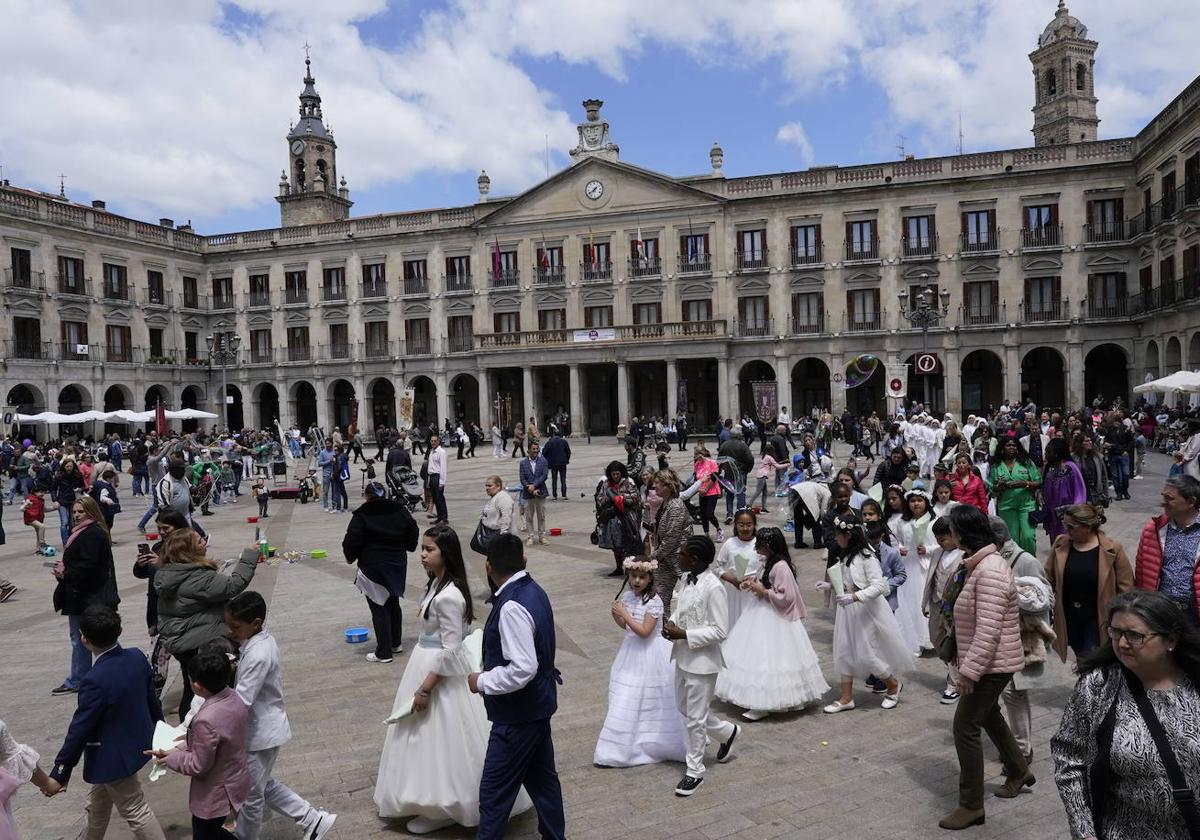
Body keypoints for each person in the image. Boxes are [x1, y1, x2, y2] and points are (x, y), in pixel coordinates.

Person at [375, 526, 531, 833]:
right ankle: (429, 799)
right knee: (424, 738)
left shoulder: (448, 596)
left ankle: (446, 805)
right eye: (422, 548)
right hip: (426, 664)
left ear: (445, 553)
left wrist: (425, 688)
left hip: (440, 675)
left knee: (443, 739)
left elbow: (451, 649)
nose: (422, 554)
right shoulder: (436, 585)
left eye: (429, 549)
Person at [1051, 589, 1200, 840]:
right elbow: (1068, 757)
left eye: (1135, 635)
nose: (1121, 643)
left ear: (1171, 640)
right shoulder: (1099, 686)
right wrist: (1084, 831)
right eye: (1115, 632)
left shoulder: (1195, 683)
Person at [938, 504, 1032, 831]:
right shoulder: (977, 564)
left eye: (953, 530)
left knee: (965, 727)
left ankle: (971, 805)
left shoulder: (989, 570)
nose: (950, 535)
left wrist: (968, 672)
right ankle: (1019, 769)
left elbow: (988, 629)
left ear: (964, 533)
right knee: (988, 715)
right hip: (987, 661)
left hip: (991, 664)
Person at [469, 533, 566, 839]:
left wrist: (481, 681)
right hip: (538, 705)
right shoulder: (534, 590)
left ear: (488, 566)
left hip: (518, 715)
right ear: (524, 560)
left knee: (494, 795)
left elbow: (523, 668)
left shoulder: (511, 606)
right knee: (543, 782)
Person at [42, 605, 166, 839]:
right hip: (133, 745)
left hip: (113, 755)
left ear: (84, 639)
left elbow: (80, 729)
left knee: (136, 810)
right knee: (98, 805)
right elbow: (152, 701)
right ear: (119, 630)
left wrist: (60, 772)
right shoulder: (137, 657)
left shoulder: (94, 680)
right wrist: (162, 733)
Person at [223, 592, 336, 840]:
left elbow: (242, 700)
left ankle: (246, 836)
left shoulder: (258, 653)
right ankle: (312, 818)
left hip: (261, 732)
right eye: (228, 625)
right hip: (260, 729)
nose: (230, 631)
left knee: (250, 796)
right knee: (261, 785)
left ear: (256, 623)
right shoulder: (256, 643)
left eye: (235, 627)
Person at [716, 527, 829, 721]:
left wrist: (764, 591)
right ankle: (757, 700)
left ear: (768, 546)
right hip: (761, 611)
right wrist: (752, 582)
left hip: (774, 616)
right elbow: (764, 582)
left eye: (759, 544)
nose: (755, 547)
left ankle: (763, 703)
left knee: (769, 657)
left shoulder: (780, 567)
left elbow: (787, 597)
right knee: (757, 654)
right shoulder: (767, 562)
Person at [660, 534, 740, 796]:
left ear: (693, 559)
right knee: (683, 706)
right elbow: (680, 608)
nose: (678, 556)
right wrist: (672, 623)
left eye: (681, 553)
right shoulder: (685, 579)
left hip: (703, 663)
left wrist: (685, 634)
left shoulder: (713, 587)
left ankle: (695, 771)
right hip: (682, 656)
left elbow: (720, 630)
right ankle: (727, 731)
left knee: (695, 720)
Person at [148, 642, 252, 840]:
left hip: (215, 792)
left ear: (196, 685)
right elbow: (216, 742)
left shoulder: (206, 718)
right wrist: (178, 748)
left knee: (206, 834)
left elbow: (198, 765)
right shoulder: (233, 697)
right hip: (235, 779)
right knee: (212, 833)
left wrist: (171, 759)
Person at [155, 528, 259, 721]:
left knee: (193, 687)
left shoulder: (169, 572)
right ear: (188, 550)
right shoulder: (196, 576)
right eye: (198, 541)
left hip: (180, 640)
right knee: (210, 692)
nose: (203, 541)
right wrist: (250, 555)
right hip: (200, 643)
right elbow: (233, 586)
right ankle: (204, 729)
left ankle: (188, 729)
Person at [594, 555, 688, 767]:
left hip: (650, 653)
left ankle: (654, 741)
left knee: (650, 695)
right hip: (630, 651)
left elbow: (645, 632)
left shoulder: (654, 602)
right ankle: (621, 746)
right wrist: (617, 616)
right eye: (633, 576)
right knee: (626, 695)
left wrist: (624, 615)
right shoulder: (628, 597)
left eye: (641, 577)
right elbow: (627, 628)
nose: (637, 581)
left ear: (650, 578)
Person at [819, 511, 910, 714]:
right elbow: (847, 581)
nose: (835, 538)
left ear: (849, 535)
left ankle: (893, 685)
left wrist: (855, 596)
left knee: (867, 653)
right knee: (843, 651)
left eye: (838, 534)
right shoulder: (845, 554)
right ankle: (846, 697)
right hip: (847, 610)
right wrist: (830, 586)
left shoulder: (867, 556)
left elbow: (879, 585)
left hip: (865, 610)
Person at [1044, 503, 1134, 662]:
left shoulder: (1112, 549)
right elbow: (1047, 578)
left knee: (1091, 656)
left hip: (1098, 617)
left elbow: (1126, 588)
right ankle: (1087, 684)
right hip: (1069, 616)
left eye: (1071, 526)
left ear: (1087, 527)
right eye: (1065, 525)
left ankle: (1090, 684)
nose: (1066, 530)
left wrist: (1120, 618)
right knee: (1080, 654)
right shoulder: (1061, 543)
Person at [343, 481, 420, 663]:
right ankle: (395, 643)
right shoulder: (399, 509)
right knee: (393, 601)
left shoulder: (363, 513)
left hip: (373, 565)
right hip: (397, 563)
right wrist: (409, 545)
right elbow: (413, 528)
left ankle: (383, 652)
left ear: (367, 496)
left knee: (378, 606)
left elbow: (352, 538)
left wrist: (350, 556)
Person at [51, 495, 118, 696]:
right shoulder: (84, 532)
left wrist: (66, 573)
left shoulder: (91, 534)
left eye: (81, 512)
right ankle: (84, 676)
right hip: (84, 595)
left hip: (88, 597)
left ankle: (79, 679)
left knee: (87, 638)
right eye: (74, 512)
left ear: (91, 512)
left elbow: (89, 566)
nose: (77, 516)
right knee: (97, 636)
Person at [1134, 475, 1200, 622]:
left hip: (1194, 615)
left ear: (1191, 502)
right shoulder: (1153, 529)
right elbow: (1141, 571)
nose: (1163, 502)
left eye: (1169, 498)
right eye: (1163, 496)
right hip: (1160, 611)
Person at [894, 488, 936, 655]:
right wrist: (900, 549)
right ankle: (913, 639)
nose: (916, 504)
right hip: (909, 566)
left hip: (927, 566)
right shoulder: (902, 522)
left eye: (919, 500)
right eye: (912, 501)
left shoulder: (934, 522)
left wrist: (928, 549)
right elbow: (897, 541)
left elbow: (943, 544)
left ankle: (930, 639)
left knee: (926, 602)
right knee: (910, 603)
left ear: (926, 502)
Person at [987, 436, 1042, 556]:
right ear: (1002, 448)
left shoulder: (1026, 462)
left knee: (1028, 537)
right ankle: (1014, 567)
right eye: (1008, 445)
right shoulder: (996, 465)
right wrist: (999, 486)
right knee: (1011, 539)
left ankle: (1030, 563)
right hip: (1006, 506)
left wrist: (1025, 483)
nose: (1011, 448)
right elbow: (992, 488)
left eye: (1014, 445)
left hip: (1027, 504)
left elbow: (1038, 482)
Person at [649, 470, 691, 614]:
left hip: (678, 560)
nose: (654, 486)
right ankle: (663, 632)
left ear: (668, 485)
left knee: (692, 596)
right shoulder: (665, 504)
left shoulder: (675, 506)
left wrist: (656, 554)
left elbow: (671, 537)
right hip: (666, 560)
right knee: (659, 599)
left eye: (657, 483)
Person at [713, 508, 761, 628]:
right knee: (734, 621)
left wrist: (755, 579)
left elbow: (767, 566)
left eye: (749, 524)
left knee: (752, 622)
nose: (745, 528)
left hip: (754, 589)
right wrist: (733, 580)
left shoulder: (759, 544)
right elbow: (718, 567)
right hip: (734, 590)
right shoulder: (730, 543)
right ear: (735, 525)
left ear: (754, 525)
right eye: (741, 525)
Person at [595, 461, 642, 578]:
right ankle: (618, 567)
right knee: (615, 544)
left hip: (626, 517)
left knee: (627, 542)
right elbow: (599, 498)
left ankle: (628, 567)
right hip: (611, 518)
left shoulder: (628, 483)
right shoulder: (606, 484)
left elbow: (636, 497)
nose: (615, 476)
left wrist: (622, 498)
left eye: (617, 474)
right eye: (613, 474)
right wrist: (605, 499)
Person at [1040, 437, 1088, 542]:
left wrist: (1075, 514)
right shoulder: (1050, 469)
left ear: (1057, 451)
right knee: (1056, 545)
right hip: (1053, 518)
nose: (1046, 453)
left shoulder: (1071, 468)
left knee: (1067, 545)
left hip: (1068, 516)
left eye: (1048, 450)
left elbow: (1080, 492)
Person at [519, 440, 550, 546]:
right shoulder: (523, 463)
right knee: (529, 516)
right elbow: (522, 478)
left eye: (537, 449)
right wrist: (530, 488)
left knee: (541, 516)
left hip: (541, 491)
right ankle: (530, 536)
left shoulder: (543, 461)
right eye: (534, 449)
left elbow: (544, 475)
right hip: (528, 493)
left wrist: (534, 485)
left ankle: (542, 536)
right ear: (528, 450)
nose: (536, 451)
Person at [50, 457, 86, 546]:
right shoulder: (59, 476)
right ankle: (65, 543)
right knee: (64, 522)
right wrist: (55, 500)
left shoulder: (78, 475)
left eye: (70, 466)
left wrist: (79, 489)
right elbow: (53, 489)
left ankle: (71, 540)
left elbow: (83, 486)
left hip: (73, 501)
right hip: (62, 501)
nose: (69, 468)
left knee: (72, 523)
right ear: (64, 467)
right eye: (67, 466)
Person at [691, 445, 723, 541]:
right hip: (702, 492)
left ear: (703, 453)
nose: (696, 456)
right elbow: (696, 478)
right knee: (703, 514)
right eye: (695, 454)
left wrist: (706, 489)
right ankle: (706, 534)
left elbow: (714, 477)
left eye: (697, 454)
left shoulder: (712, 462)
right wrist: (699, 489)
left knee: (709, 513)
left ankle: (719, 529)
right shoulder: (697, 464)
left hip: (712, 492)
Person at [478, 474, 516, 548]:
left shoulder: (503, 498)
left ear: (498, 486)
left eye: (490, 486)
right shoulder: (494, 497)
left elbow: (506, 518)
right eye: (486, 486)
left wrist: (503, 538)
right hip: (492, 535)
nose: (487, 488)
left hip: (501, 536)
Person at [541, 429, 571, 501]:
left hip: (553, 463)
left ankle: (554, 496)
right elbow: (568, 452)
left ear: (553, 434)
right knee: (563, 479)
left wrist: (548, 459)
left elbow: (544, 452)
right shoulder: (564, 441)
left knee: (554, 479)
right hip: (562, 463)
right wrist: (566, 459)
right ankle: (564, 495)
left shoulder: (550, 442)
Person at [20, 486, 47, 552]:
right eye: (40, 492)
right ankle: (42, 542)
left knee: (38, 533)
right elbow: (21, 508)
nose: (42, 494)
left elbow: (45, 509)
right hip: (30, 518)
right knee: (42, 526)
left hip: (38, 518)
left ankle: (38, 549)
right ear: (35, 492)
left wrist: (54, 508)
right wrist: (26, 506)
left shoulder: (41, 500)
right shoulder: (30, 499)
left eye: (44, 492)